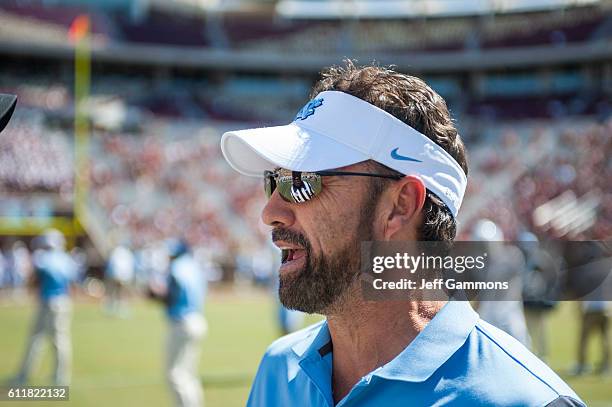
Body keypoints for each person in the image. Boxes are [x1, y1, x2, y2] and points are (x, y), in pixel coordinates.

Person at [220, 61, 585, 406]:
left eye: (302, 182)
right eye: (275, 181)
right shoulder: (278, 372)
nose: (271, 213)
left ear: (400, 205)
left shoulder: (526, 399)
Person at [15, 229, 78, 386]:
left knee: (36, 339)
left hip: (47, 301)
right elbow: (72, 283)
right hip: (63, 301)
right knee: (60, 340)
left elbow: (32, 280)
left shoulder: (42, 259)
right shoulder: (66, 259)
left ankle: (25, 375)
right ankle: (61, 377)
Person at [149, 239, 207, 407]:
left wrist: (154, 293)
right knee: (189, 374)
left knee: (175, 375)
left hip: (182, 323)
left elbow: (171, 296)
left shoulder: (176, 268)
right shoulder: (193, 266)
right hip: (197, 319)